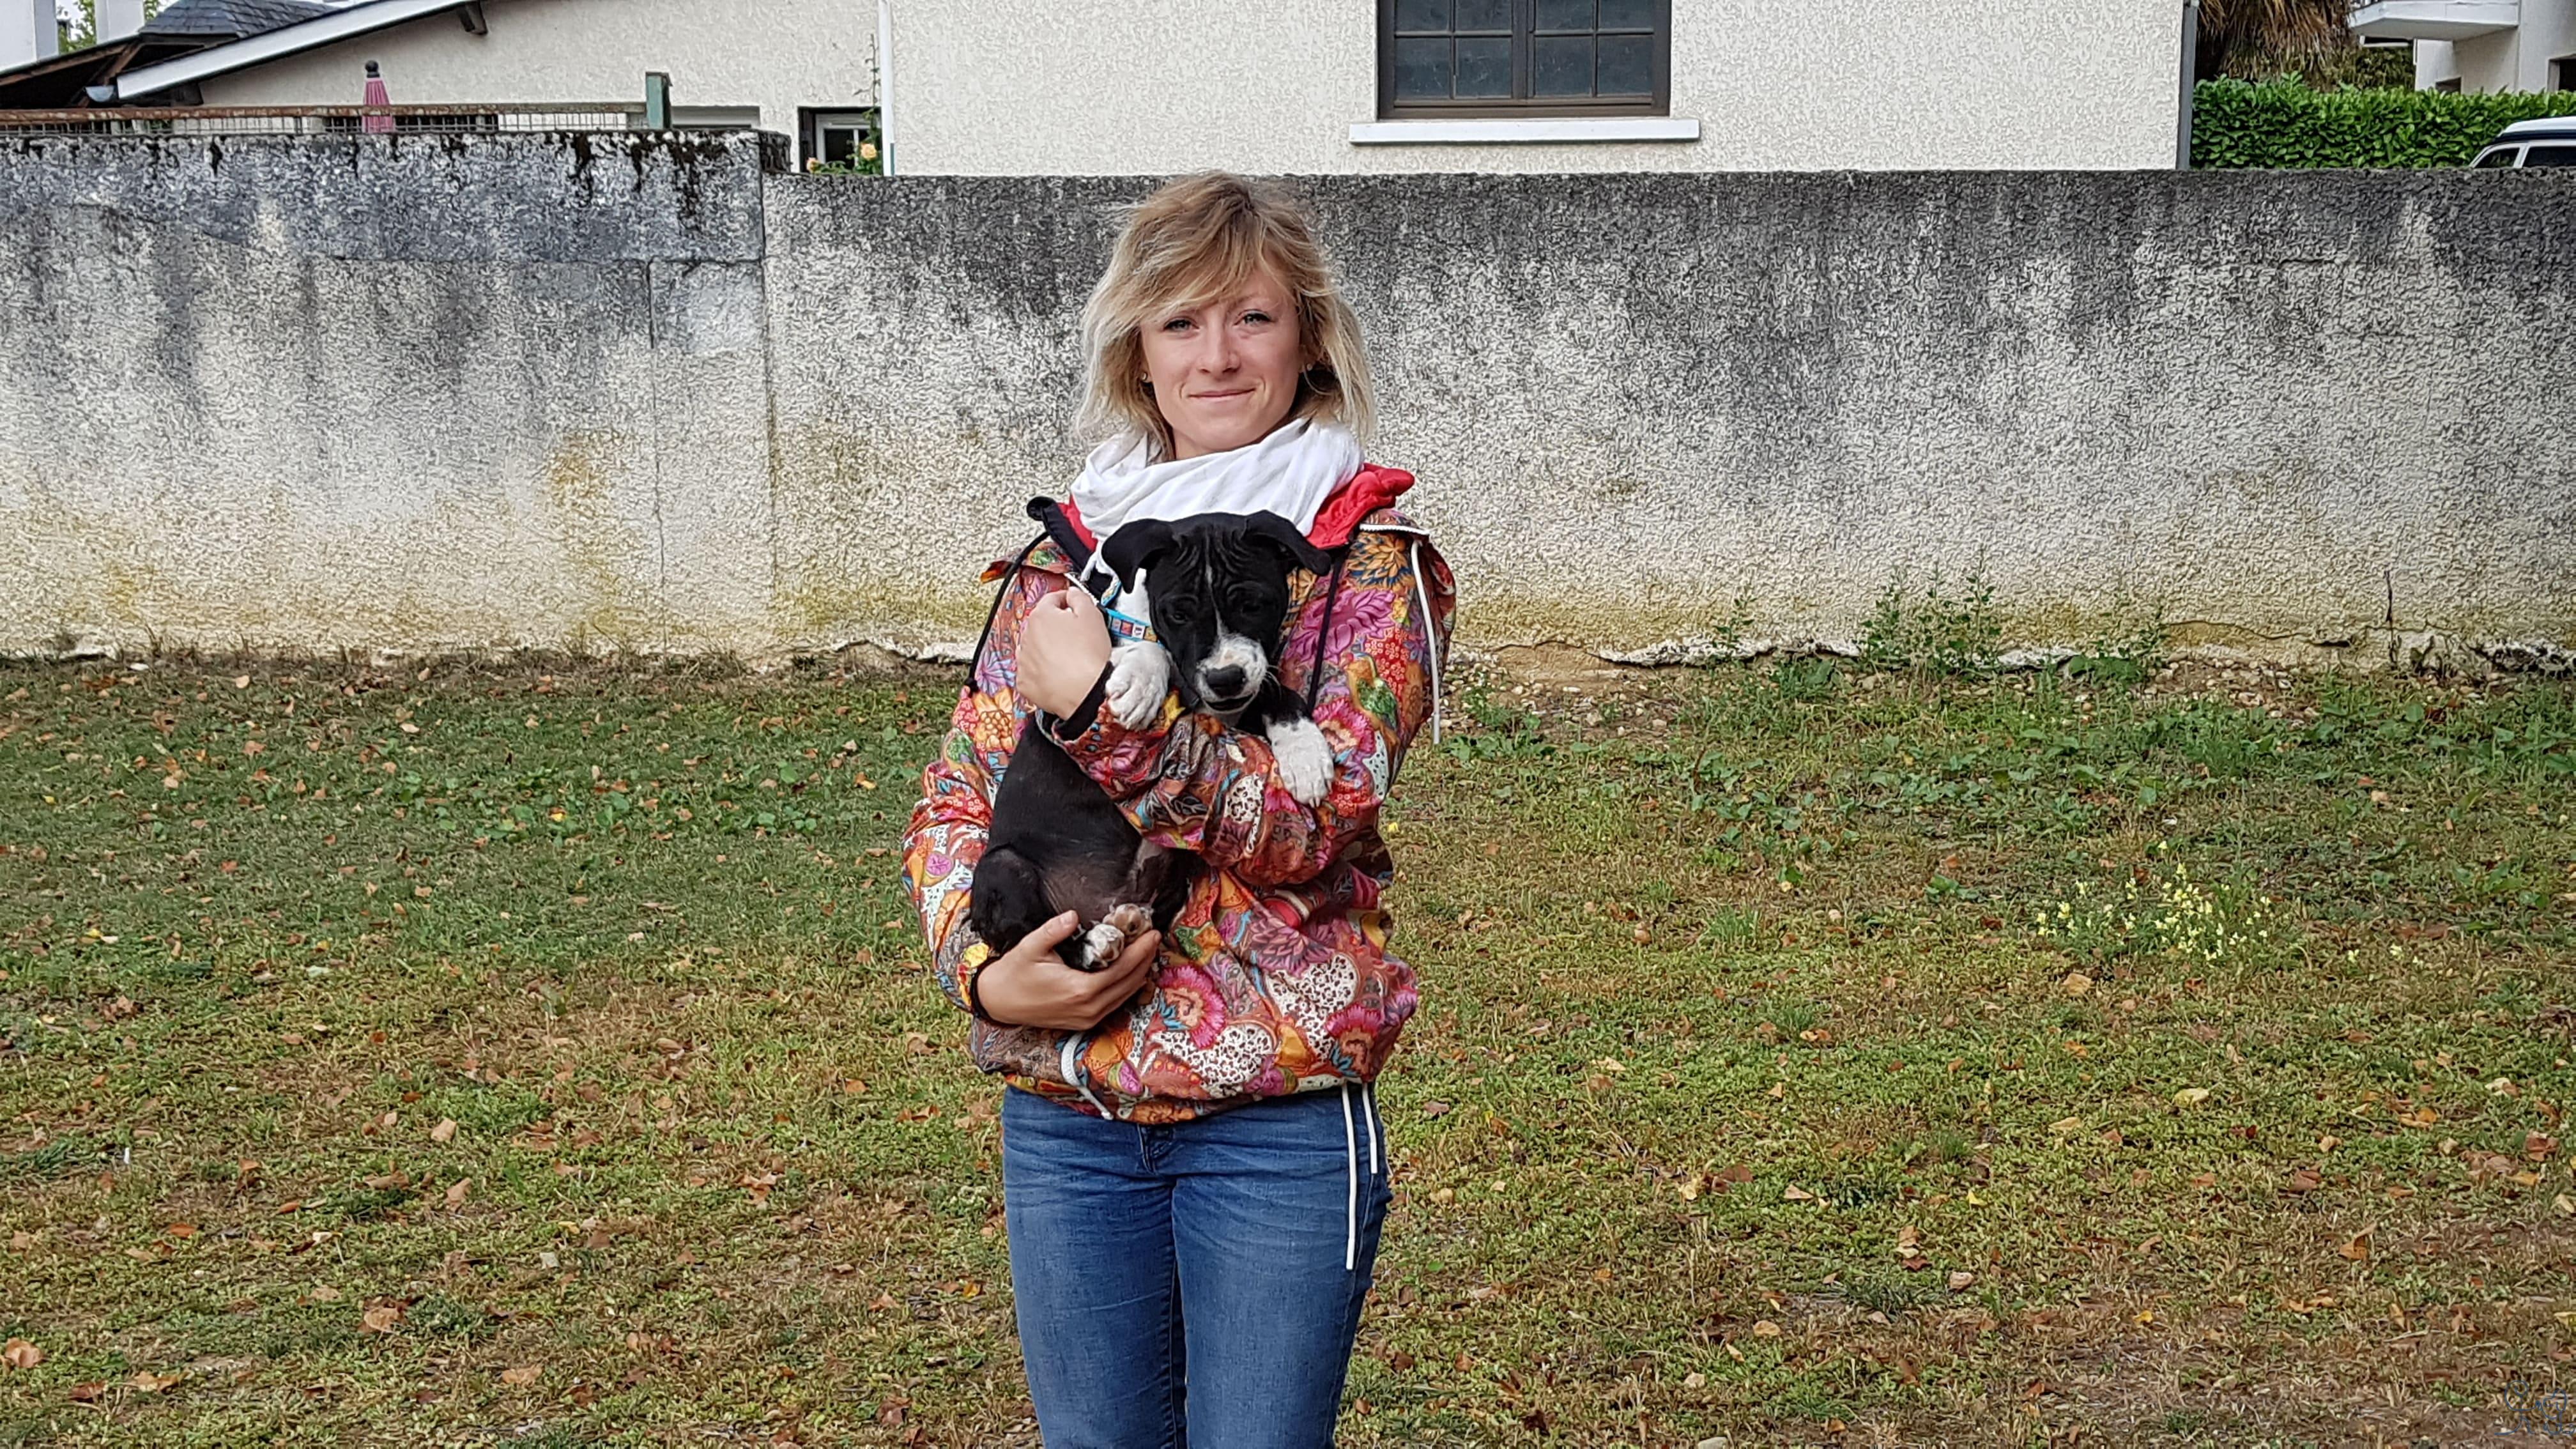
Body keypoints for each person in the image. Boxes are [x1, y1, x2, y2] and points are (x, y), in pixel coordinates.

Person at [901, 172, 1453, 1448]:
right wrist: (983, 976)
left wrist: (1102, 709)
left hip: (1275, 1119)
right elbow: (954, 806)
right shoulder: (1068, 557)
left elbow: (1302, 824)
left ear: (1306, 339)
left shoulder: (1366, 566)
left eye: (1252, 319)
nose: (1217, 356)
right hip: (1070, 1116)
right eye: (1180, 324)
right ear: (1136, 355)